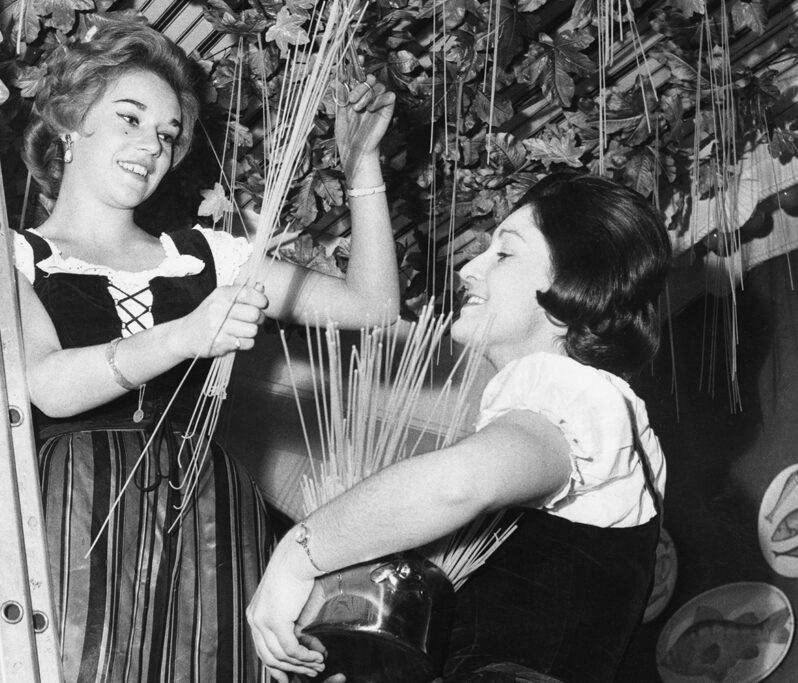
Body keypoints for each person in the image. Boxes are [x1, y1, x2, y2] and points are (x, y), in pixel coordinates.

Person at [13, 20, 398, 683]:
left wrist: (362, 161)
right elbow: (47, 384)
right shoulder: (14, 255)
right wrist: (186, 335)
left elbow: (374, 310)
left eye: (166, 134)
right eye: (129, 118)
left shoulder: (204, 255)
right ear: (71, 124)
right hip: (68, 526)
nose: (150, 145)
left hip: (209, 529)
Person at [247, 172, 672, 683]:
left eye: (505, 253)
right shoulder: (556, 424)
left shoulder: (581, 392)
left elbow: (457, 485)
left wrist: (298, 556)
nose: (470, 268)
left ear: (574, 286)